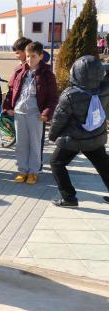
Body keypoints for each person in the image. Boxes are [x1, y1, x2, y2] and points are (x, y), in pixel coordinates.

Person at [49, 55, 109, 206]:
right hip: (95, 137)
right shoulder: (105, 89)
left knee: (56, 163)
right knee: (104, 165)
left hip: (73, 139)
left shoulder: (69, 95)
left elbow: (58, 120)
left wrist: (52, 136)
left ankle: (69, 198)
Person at [3, 42, 58, 185]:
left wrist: (46, 113)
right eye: (27, 56)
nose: (29, 59)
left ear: (40, 56)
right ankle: (22, 170)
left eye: (33, 56)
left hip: (36, 115)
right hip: (19, 113)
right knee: (21, 144)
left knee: (34, 144)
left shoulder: (47, 74)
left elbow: (53, 98)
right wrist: (7, 107)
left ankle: (33, 172)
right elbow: (11, 90)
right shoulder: (19, 71)